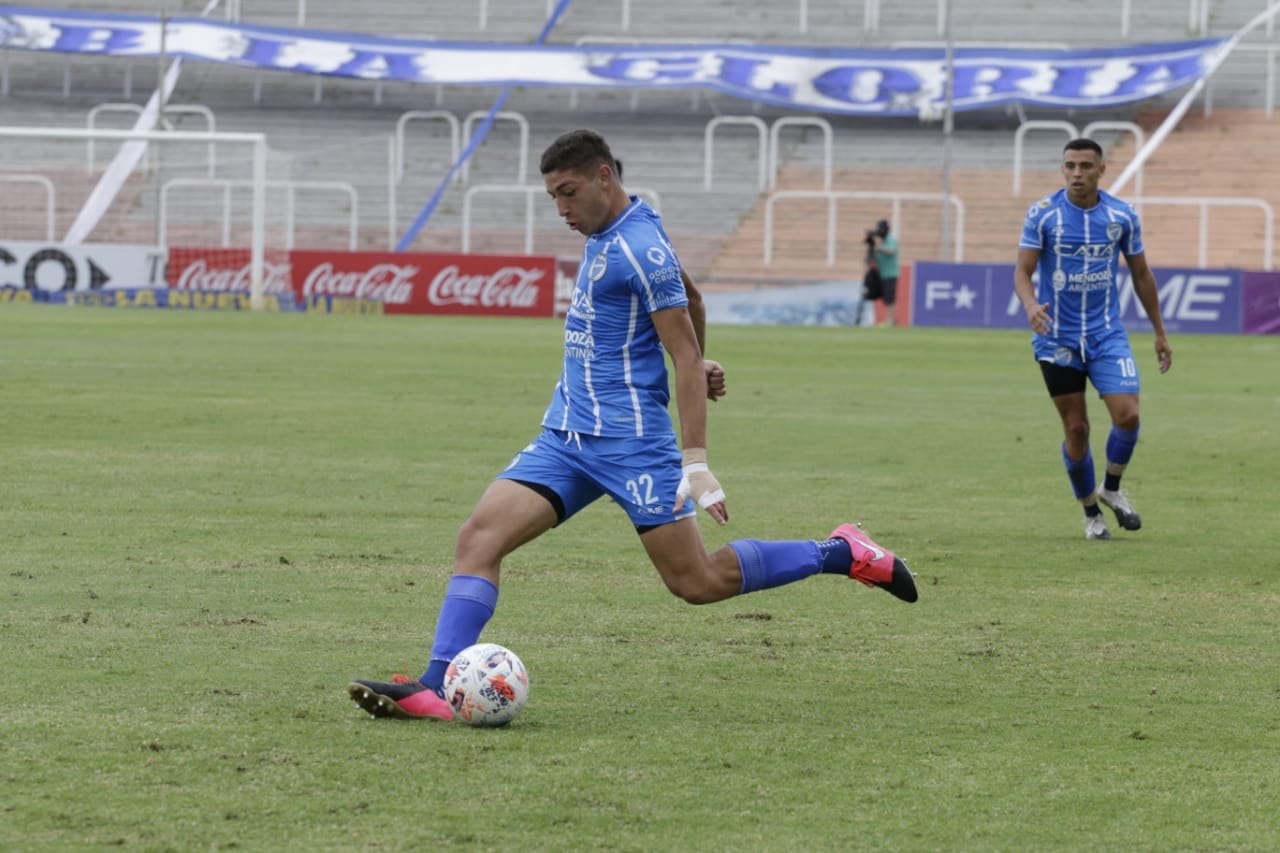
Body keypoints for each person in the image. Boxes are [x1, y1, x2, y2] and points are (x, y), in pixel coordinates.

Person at [348, 129, 918, 722]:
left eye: (569, 193)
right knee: (478, 539)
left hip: (632, 444)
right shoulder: (611, 230)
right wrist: (698, 356)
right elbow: (693, 302)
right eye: (553, 199)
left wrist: (695, 452)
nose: (562, 210)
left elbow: (684, 348)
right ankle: (437, 684)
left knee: (696, 581)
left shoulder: (639, 247)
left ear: (603, 177)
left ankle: (840, 552)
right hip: (566, 437)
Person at [1013, 137, 1173, 541]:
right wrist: (1030, 305)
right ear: (1062, 169)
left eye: (1086, 166)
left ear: (1102, 170)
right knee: (1077, 428)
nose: (1077, 174)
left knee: (1128, 414)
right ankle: (1091, 513)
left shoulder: (1122, 215)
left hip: (1105, 333)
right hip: (1057, 338)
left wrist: (1159, 331)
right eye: (1070, 166)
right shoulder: (1044, 214)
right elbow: (1021, 272)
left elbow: (1141, 274)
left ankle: (1112, 489)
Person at [869, 219, 899, 326]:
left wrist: (879, 247)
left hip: (890, 273)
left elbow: (890, 251)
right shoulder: (883, 241)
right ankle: (889, 320)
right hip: (883, 273)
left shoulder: (891, 240)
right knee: (887, 298)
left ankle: (891, 320)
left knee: (890, 298)